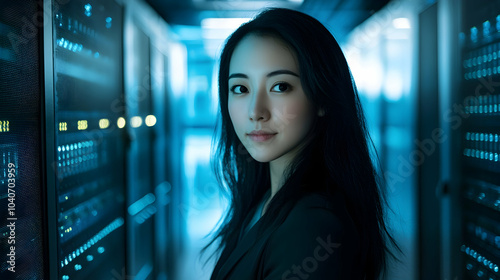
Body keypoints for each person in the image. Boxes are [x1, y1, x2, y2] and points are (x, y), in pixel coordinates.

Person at [204, 7, 399, 280]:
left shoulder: (313, 227)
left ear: (322, 99)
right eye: (240, 88)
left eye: (280, 86)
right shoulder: (264, 198)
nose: (255, 111)